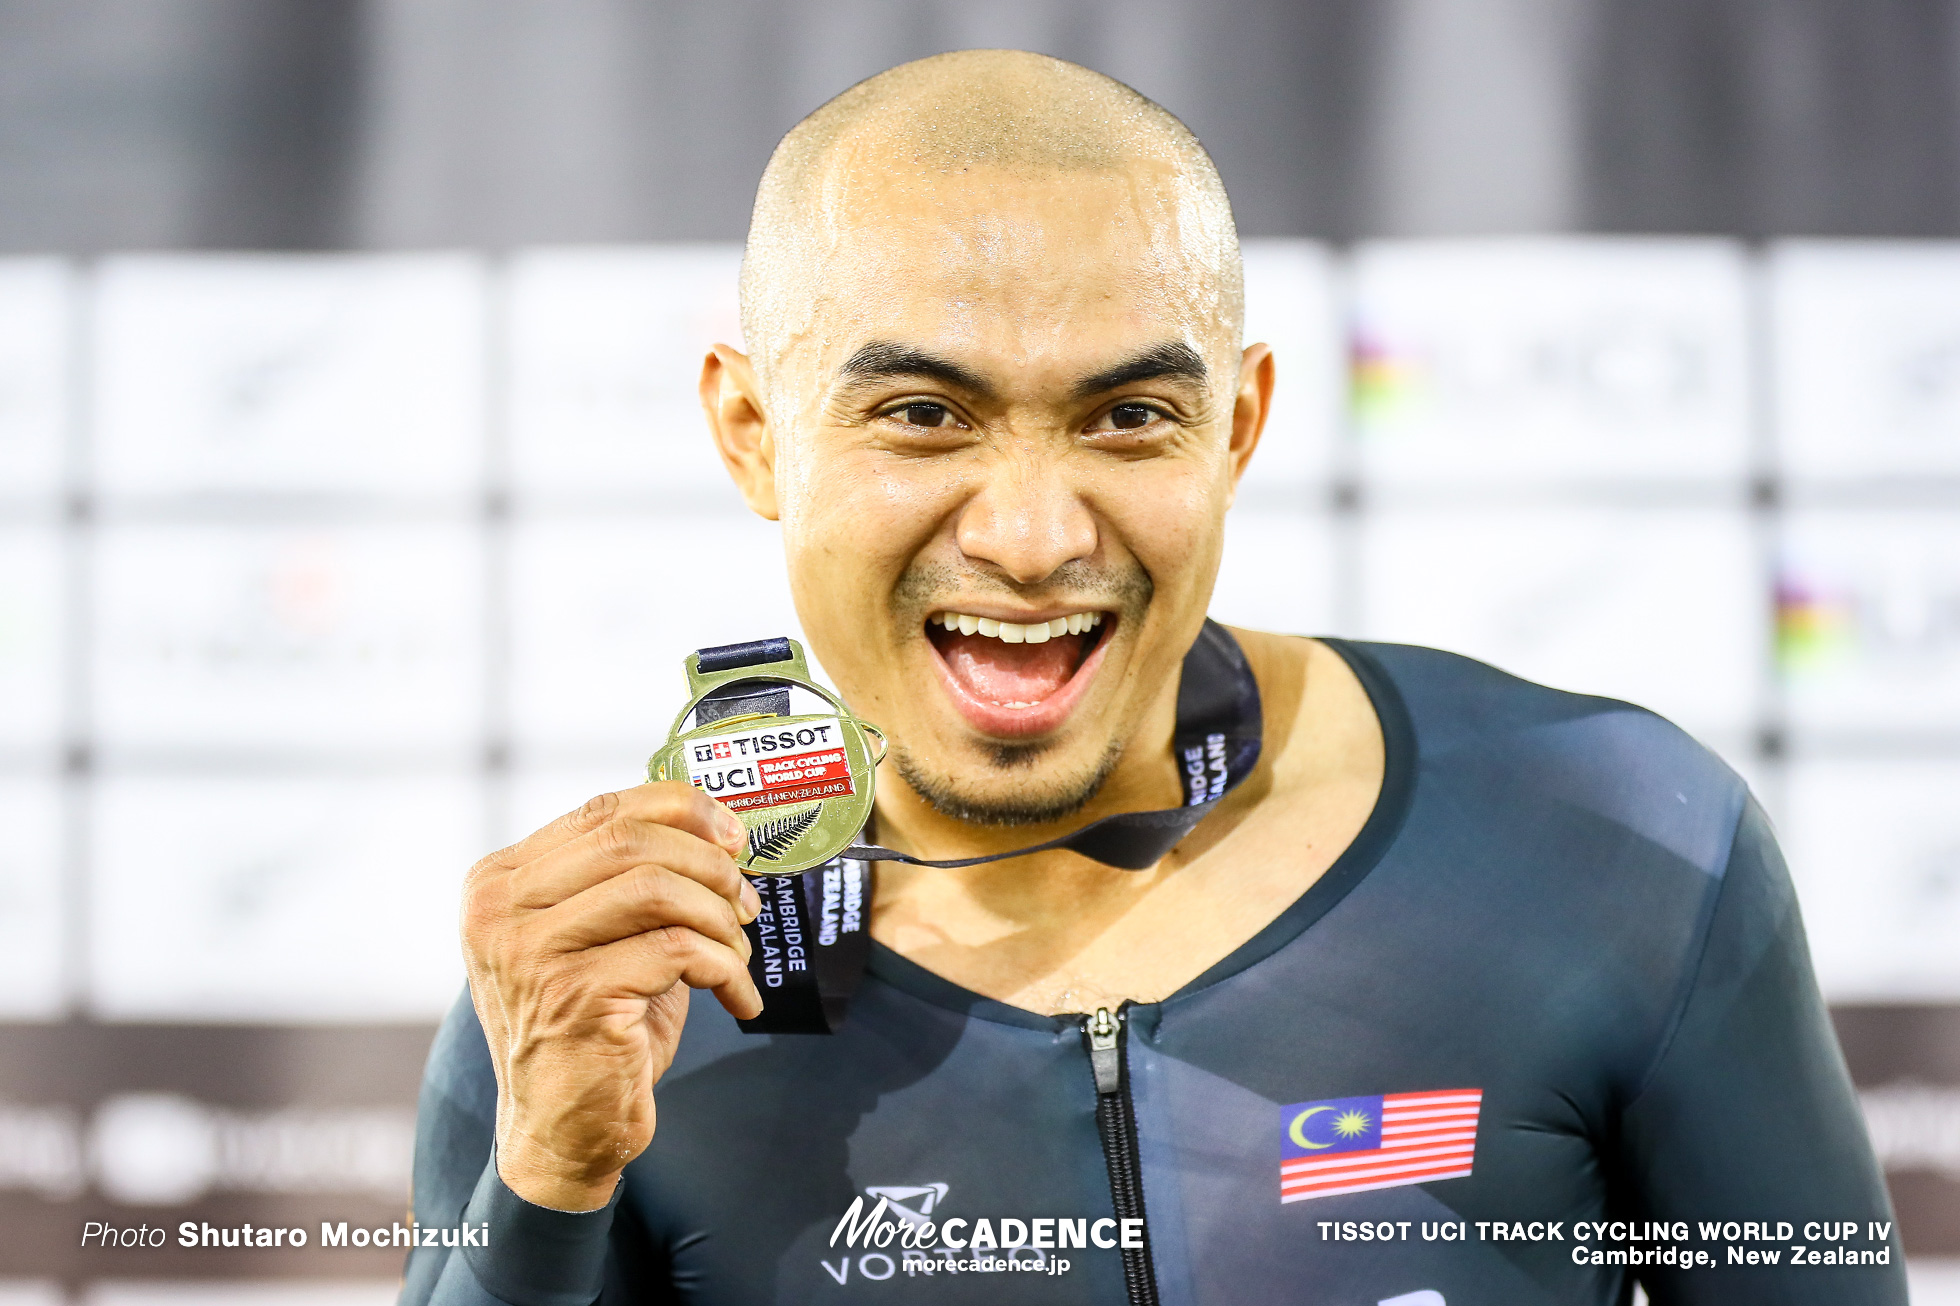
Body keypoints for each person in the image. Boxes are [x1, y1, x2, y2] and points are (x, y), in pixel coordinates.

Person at [400, 50, 1903, 1306]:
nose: (1036, 534)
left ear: (1238, 427)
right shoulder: (600, 979)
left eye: (1127, 417)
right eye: (924, 412)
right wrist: (542, 1182)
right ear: (751, 434)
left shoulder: (1617, 834)